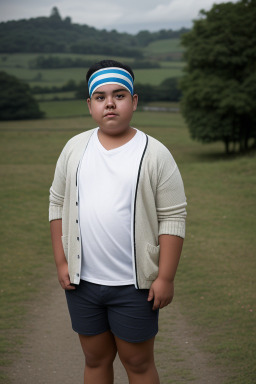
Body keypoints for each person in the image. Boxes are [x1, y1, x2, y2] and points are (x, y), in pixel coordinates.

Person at [49, 59, 187, 384]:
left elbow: (172, 217)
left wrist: (165, 277)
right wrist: (61, 261)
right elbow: (57, 202)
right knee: (95, 360)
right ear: (90, 104)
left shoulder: (154, 153)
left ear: (134, 101)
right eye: (100, 97)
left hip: (134, 287)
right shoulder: (74, 149)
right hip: (83, 284)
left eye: (119, 95)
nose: (109, 103)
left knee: (137, 363)